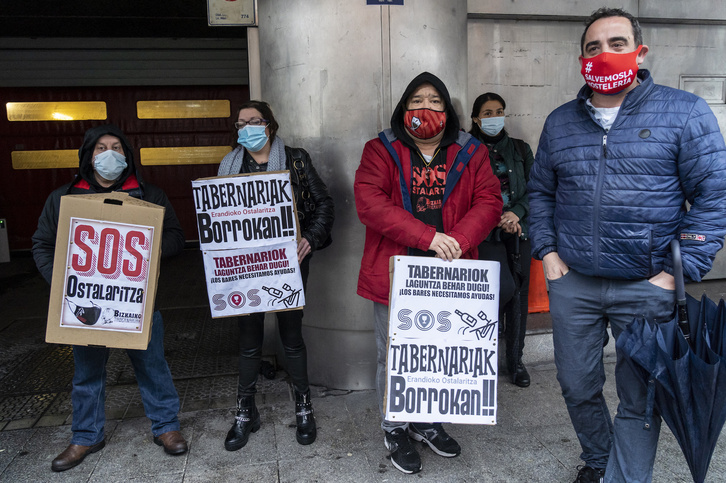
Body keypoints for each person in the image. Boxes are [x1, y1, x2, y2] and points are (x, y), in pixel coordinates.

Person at [527, 7, 726, 483]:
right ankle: (598, 460)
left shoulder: (685, 112)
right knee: (576, 386)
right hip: (574, 282)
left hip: (647, 285)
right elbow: (540, 192)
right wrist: (549, 255)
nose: (605, 53)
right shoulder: (560, 122)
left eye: (617, 43)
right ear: (581, 57)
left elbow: (713, 197)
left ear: (640, 51)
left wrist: (674, 275)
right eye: (594, 46)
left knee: (640, 398)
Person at [354, 72, 502, 474]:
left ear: (448, 109)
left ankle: (426, 420)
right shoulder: (380, 150)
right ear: (403, 108)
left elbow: (489, 200)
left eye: (435, 101)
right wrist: (428, 237)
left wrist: (456, 239)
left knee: (439, 352)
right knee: (395, 355)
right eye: (417, 100)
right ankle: (395, 425)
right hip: (397, 272)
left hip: (451, 272)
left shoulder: (470, 151)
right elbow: (369, 202)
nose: (426, 108)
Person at [32, 124, 188, 472]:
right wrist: (60, 283)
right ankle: (86, 435)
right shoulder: (64, 198)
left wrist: (149, 251)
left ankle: (166, 427)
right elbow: (41, 245)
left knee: (153, 366)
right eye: (101, 147)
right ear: (89, 155)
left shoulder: (150, 196)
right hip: (84, 304)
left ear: (127, 155)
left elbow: (178, 237)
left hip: (137, 302)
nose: (109, 154)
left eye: (116, 147)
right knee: (87, 373)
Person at [217, 100, 334, 451]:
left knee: (291, 335)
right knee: (249, 340)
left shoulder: (296, 159)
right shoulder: (228, 166)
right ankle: (245, 411)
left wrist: (309, 239)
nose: (247, 128)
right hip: (246, 267)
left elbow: (324, 202)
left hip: (288, 264)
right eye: (241, 123)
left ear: (270, 125)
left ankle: (303, 407)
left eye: (254, 121)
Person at [469, 92, 535, 388]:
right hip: (484, 233)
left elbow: (536, 189)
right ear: (475, 119)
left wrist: (516, 214)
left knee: (519, 296)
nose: (494, 117)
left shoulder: (520, 149)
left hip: (519, 229)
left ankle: (515, 361)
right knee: (490, 296)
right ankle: (484, 359)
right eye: (487, 113)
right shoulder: (466, 150)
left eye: (499, 111)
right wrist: (491, 215)